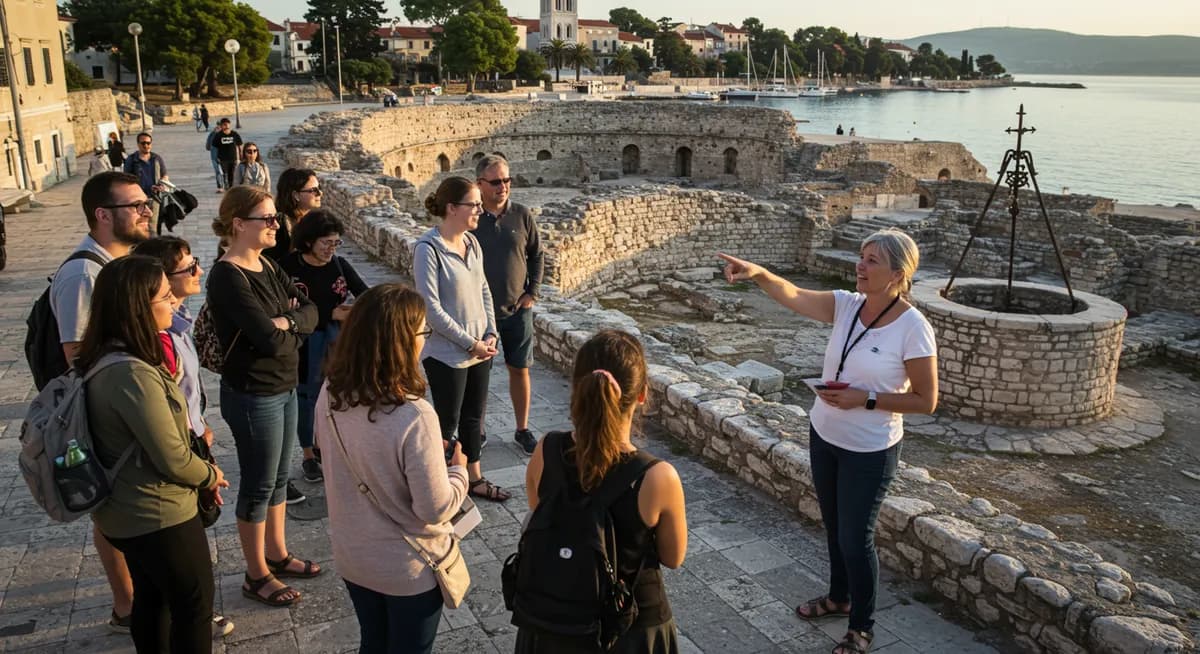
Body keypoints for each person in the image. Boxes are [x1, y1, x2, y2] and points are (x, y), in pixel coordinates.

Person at [717, 229, 938, 654]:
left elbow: (926, 400)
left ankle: (862, 627)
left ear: (897, 273)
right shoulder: (847, 306)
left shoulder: (913, 328)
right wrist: (759, 272)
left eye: (872, 260)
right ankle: (839, 597)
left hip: (870, 450)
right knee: (836, 529)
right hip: (825, 435)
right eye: (861, 256)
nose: (860, 265)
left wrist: (865, 398)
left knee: (857, 538)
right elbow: (794, 294)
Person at [80, 255, 229, 653]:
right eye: (165, 297)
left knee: (153, 596)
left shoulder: (108, 355)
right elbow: (173, 457)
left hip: (128, 511)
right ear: (138, 307)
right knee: (193, 605)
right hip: (157, 512)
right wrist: (211, 476)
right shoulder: (131, 373)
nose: (174, 302)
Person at [317, 284, 469, 654]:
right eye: (422, 333)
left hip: (353, 556)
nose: (425, 342)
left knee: (373, 642)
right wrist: (459, 472)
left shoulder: (330, 391)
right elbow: (432, 508)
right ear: (400, 341)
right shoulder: (414, 415)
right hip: (406, 569)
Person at [518, 330, 688, 653]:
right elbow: (673, 557)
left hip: (554, 616)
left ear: (576, 387)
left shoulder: (546, 450)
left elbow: (542, 511)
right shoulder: (658, 477)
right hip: (631, 626)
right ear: (641, 396)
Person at [207, 185, 321, 608]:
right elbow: (268, 339)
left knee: (277, 478)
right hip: (254, 393)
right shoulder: (228, 275)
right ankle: (256, 575)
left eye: (276, 217)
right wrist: (291, 326)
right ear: (239, 224)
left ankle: (277, 552)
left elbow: (310, 310)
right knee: (258, 484)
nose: (277, 224)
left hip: (284, 385)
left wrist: (287, 322)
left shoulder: (268, 265)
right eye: (268, 219)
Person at [51, 171, 151, 633]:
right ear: (103, 215)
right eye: (136, 205)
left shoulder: (119, 263)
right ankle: (129, 604)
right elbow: (77, 357)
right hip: (109, 417)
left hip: (134, 404)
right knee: (115, 511)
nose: (146, 210)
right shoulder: (81, 275)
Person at [134, 236, 236, 638]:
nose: (198, 271)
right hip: (170, 475)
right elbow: (163, 420)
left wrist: (200, 423)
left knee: (154, 590)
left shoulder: (176, 324)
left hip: (190, 441)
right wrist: (206, 471)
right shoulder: (154, 344)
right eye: (188, 268)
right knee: (187, 588)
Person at [413, 177, 507, 502]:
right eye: (474, 204)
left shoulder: (472, 243)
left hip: (480, 349)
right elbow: (431, 309)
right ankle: (438, 487)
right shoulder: (428, 249)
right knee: (445, 423)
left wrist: (491, 331)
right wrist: (470, 342)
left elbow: (483, 290)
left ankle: (474, 478)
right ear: (452, 208)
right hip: (447, 355)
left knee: (472, 417)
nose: (480, 209)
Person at [280, 210, 369, 482]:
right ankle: (309, 453)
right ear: (309, 241)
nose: (331, 248)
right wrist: (330, 312)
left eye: (335, 242)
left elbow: (365, 294)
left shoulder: (339, 265)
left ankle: (330, 446)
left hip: (338, 345)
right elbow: (282, 309)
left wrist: (353, 310)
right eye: (326, 243)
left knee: (340, 395)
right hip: (305, 346)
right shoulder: (288, 269)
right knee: (307, 398)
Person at [471, 155, 544, 455]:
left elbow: (537, 255)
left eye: (507, 180)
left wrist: (532, 292)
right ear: (480, 185)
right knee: (479, 375)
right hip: (479, 314)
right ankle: (478, 429)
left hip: (517, 311)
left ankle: (522, 429)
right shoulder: (471, 220)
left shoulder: (522, 215)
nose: (503, 186)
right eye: (496, 182)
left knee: (520, 370)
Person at [263, 168, 321, 261]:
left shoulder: (311, 221)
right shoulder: (277, 225)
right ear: (296, 195)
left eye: (319, 188)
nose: (320, 193)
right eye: (313, 190)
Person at [122, 132, 169, 234]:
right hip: (139, 201)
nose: (146, 145)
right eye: (143, 143)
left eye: (148, 143)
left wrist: (161, 185)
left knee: (154, 227)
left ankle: (153, 247)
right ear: (138, 144)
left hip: (155, 198)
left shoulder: (156, 158)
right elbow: (127, 180)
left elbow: (164, 175)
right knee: (139, 227)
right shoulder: (132, 160)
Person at [213, 118, 243, 191]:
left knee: (232, 174)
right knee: (224, 174)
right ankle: (224, 187)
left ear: (229, 124)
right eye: (224, 124)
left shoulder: (234, 134)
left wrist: (241, 156)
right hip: (223, 159)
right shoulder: (218, 136)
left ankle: (231, 188)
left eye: (227, 124)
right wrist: (215, 158)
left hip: (233, 158)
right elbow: (214, 148)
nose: (226, 126)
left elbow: (240, 145)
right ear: (221, 125)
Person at [205, 126, 224, 193]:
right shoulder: (224, 134)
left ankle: (221, 187)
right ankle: (223, 186)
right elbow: (208, 146)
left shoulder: (212, 134)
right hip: (220, 156)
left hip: (215, 156)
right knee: (223, 171)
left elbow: (207, 147)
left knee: (218, 172)